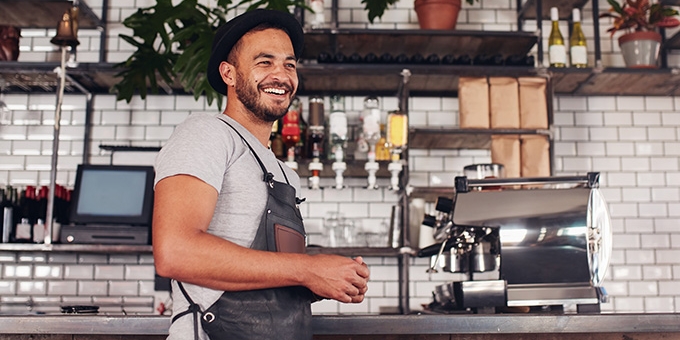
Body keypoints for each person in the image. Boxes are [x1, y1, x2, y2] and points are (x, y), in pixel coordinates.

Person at [152, 9, 370, 340]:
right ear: (229, 73)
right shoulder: (207, 134)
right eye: (264, 62)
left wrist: (320, 280)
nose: (281, 75)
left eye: (289, 64)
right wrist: (308, 268)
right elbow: (174, 251)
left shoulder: (285, 173)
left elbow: (270, 274)